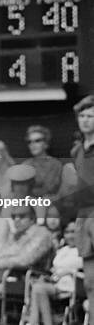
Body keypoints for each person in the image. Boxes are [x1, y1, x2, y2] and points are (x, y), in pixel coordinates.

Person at [28, 220, 82, 325]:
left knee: (38, 288)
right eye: (67, 232)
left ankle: (36, 322)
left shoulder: (83, 251)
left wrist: (67, 271)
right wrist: (48, 276)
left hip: (72, 285)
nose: (70, 236)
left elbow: (82, 268)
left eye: (73, 232)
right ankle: (36, 321)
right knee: (37, 286)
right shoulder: (63, 250)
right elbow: (55, 267)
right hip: (56, 283)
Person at [72, 95, 94, 325]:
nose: (86, 120)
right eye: (83, 115)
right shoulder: (76, 150)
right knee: (89, 281)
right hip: (83, 215)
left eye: (91, 116)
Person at [22, 125, 62, 197]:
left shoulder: (55, 164)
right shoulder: (25, 165)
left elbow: (50, 188)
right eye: (29, 142)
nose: (32, 145)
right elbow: (21, 190)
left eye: (37, 141)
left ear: (46, 144)